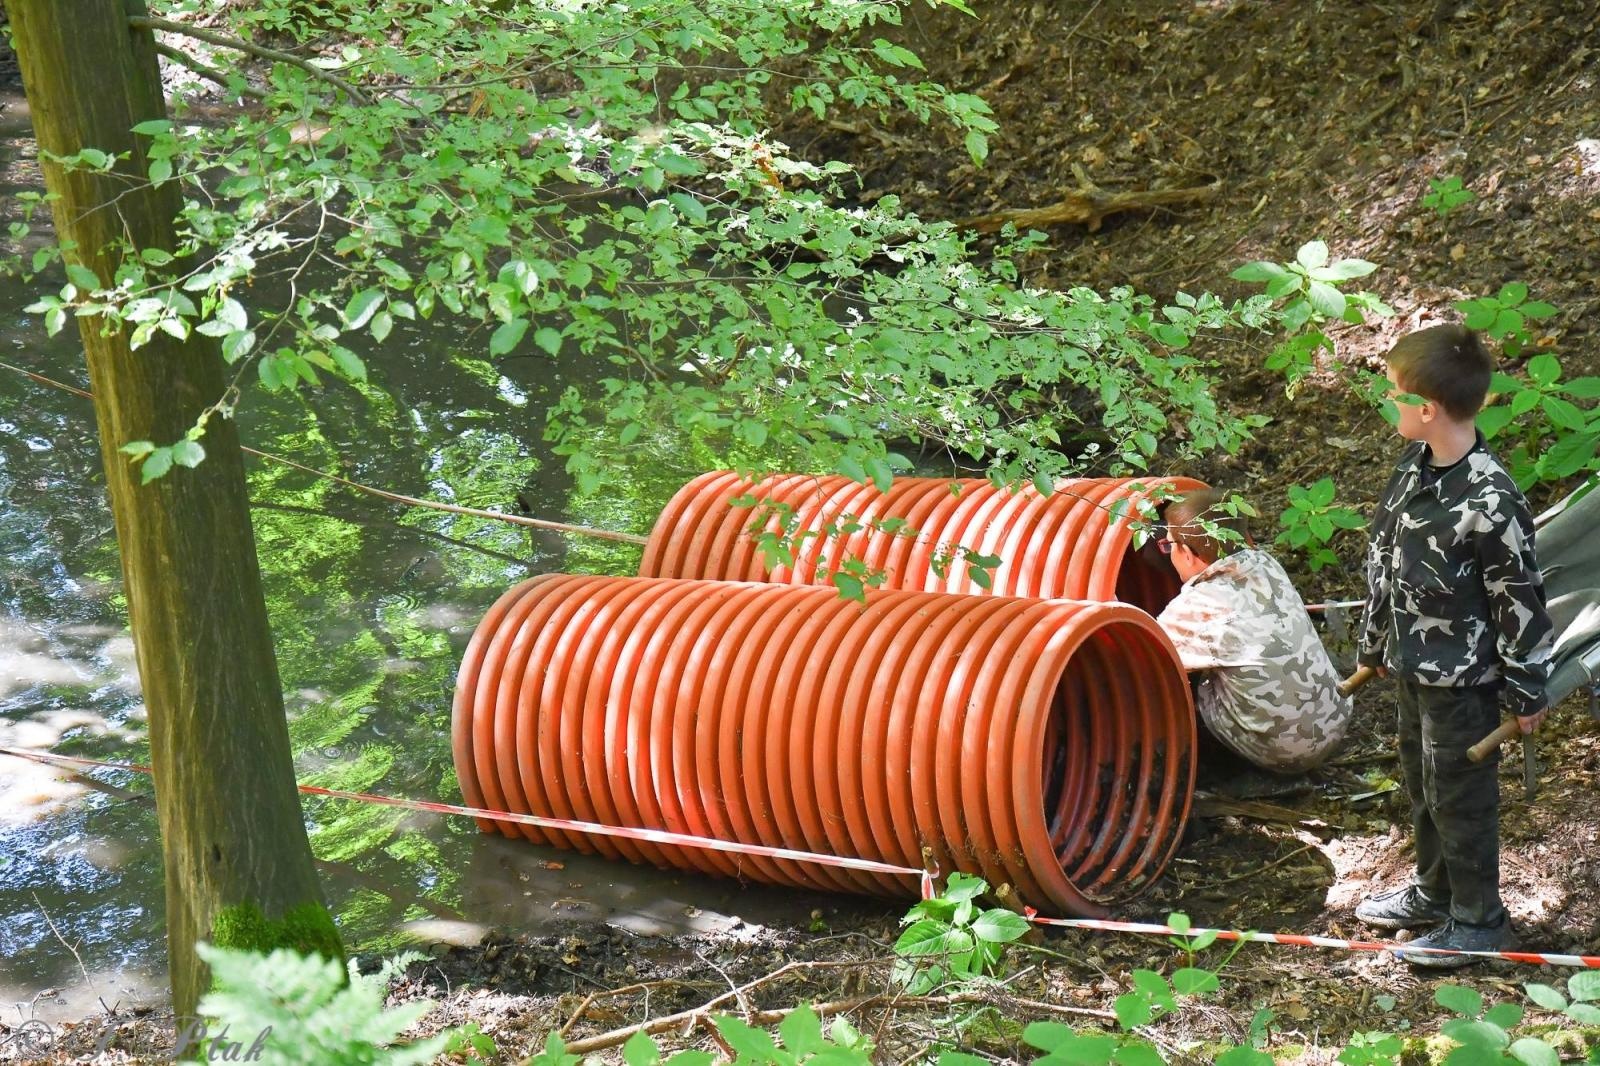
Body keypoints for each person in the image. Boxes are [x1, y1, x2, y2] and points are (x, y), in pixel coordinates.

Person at [1352, 323, 1554, 967]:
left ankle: (1479, 921)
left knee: (1460, 797)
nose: (1387, 403)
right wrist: (1374, 643)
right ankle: (1435, 893)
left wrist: (1527, 689)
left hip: (1462, 680)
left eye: (1393, 393)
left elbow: (1519, 598)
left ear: (1428, 409)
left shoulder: (1491, 498)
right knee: (1422, 782)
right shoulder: (1415, 470)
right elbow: (1386, 561)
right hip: (1413, 665)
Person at [1153, 488, 1352, 774]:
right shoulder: (1266, 563)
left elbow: (1148, 661)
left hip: (1280, 753)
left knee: (1189, 688)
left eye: (1169, 545)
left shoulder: (1200, 606)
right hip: (1335, 719)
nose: (1168, 551)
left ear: (1186, 552)